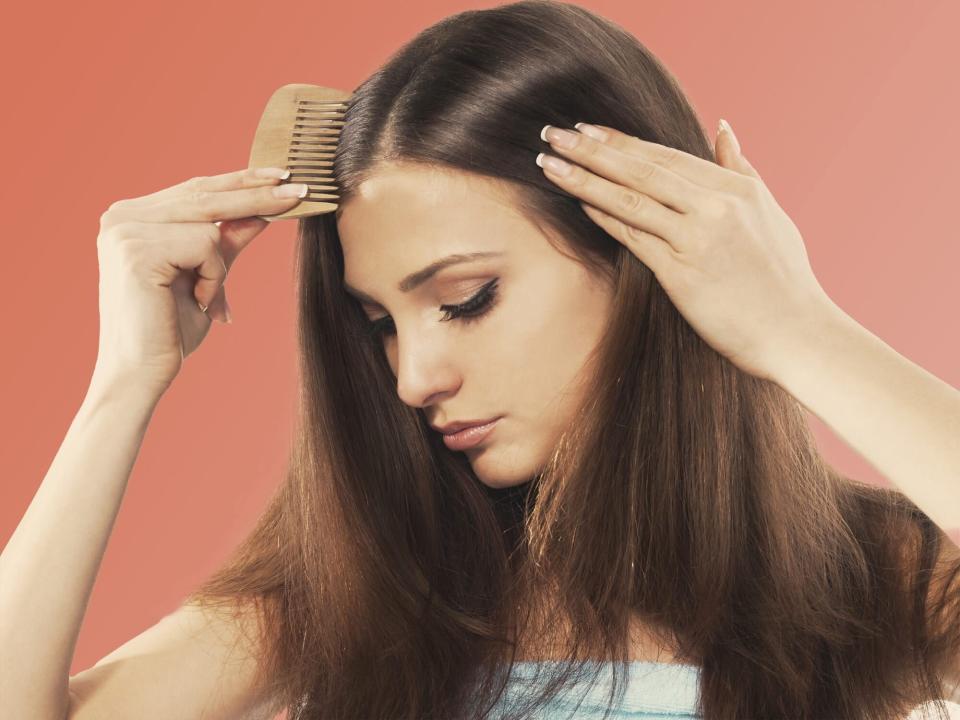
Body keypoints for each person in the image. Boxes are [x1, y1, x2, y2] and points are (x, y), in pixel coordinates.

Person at [2, 1, 959, 718]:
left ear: (636, 261)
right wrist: (124, 382)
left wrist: (800, 329)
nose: (414, 379)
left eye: (466, 301)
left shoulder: (871, 580)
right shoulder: (363, 585)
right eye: (379, 322)